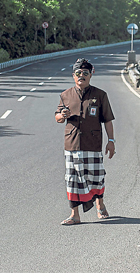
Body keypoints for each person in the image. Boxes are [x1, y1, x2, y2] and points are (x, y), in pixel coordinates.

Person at [55, 58, 116, 225]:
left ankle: (100, 203)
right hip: (72, 144)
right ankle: (74, 214)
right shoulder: (65, 95)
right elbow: (57, 117)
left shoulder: (100, 95)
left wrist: (111, 141)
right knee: (72, 178)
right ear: (73, 75)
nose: (81, 76)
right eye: (78, 73)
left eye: (85, 73)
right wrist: (62, 116)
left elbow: (108, 120)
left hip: (93, 144)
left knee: (96, 177)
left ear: (91, 74)